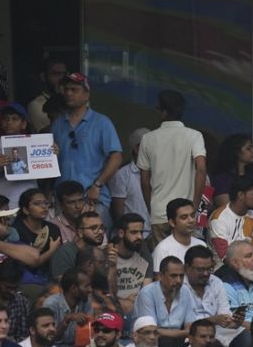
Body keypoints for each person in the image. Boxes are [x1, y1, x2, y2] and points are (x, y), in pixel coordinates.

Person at [49, 71, 123, 218]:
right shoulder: (57, 124)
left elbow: (117, 157)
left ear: (87, 94)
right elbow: (49, 160)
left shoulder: (102, 122)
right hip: (62, 198)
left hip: (91, 196)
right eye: (66, 89)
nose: (69, 93)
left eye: (74, 90)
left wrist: (98, 185)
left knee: (97, 239)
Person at [136, 90, 206, 241]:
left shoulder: (148, 139)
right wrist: (193, 206)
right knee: (187, 260)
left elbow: (144, 181)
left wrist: (152, 208)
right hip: (185, 214)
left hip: (159, 213)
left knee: (163, 261)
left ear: (163, 112)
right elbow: (201, 169)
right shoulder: (194, 136)